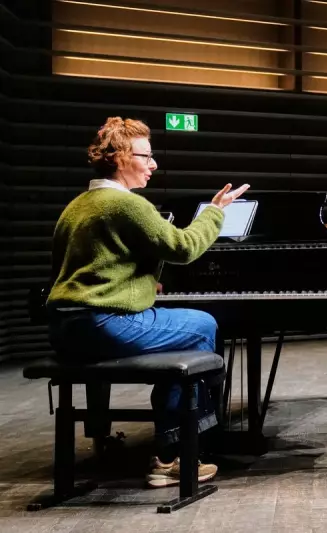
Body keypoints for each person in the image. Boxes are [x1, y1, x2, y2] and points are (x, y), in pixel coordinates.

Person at [46, 117, 250, 487]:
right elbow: (184, 248)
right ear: (122, 158)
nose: (154, 164)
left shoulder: (78, 205)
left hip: (65, 328)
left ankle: (178, 443)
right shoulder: (127, 204)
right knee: (202, 325)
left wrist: (140, 282)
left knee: (187, 329)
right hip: (104, 324)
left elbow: (90, 268)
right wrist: (215, 212)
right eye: (146, 156)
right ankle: (176, 453)